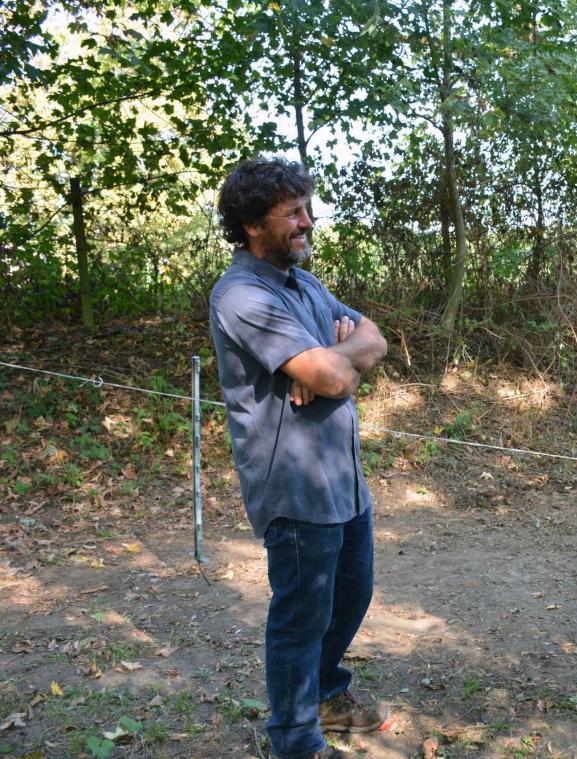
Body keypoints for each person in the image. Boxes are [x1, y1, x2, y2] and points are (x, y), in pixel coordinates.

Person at [210, 157, 390, 759]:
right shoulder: (240, 295)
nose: (307, 222)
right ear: (251, 225)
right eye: (292, 214)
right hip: (293, 486)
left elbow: (373, 338)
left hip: (343, 479)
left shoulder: (304, 284)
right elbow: (332, 374)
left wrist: (344, 358)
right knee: (300, 615)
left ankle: (325, 693)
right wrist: (330, 363)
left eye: (306, 209)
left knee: (352, 594)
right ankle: (294, 740)